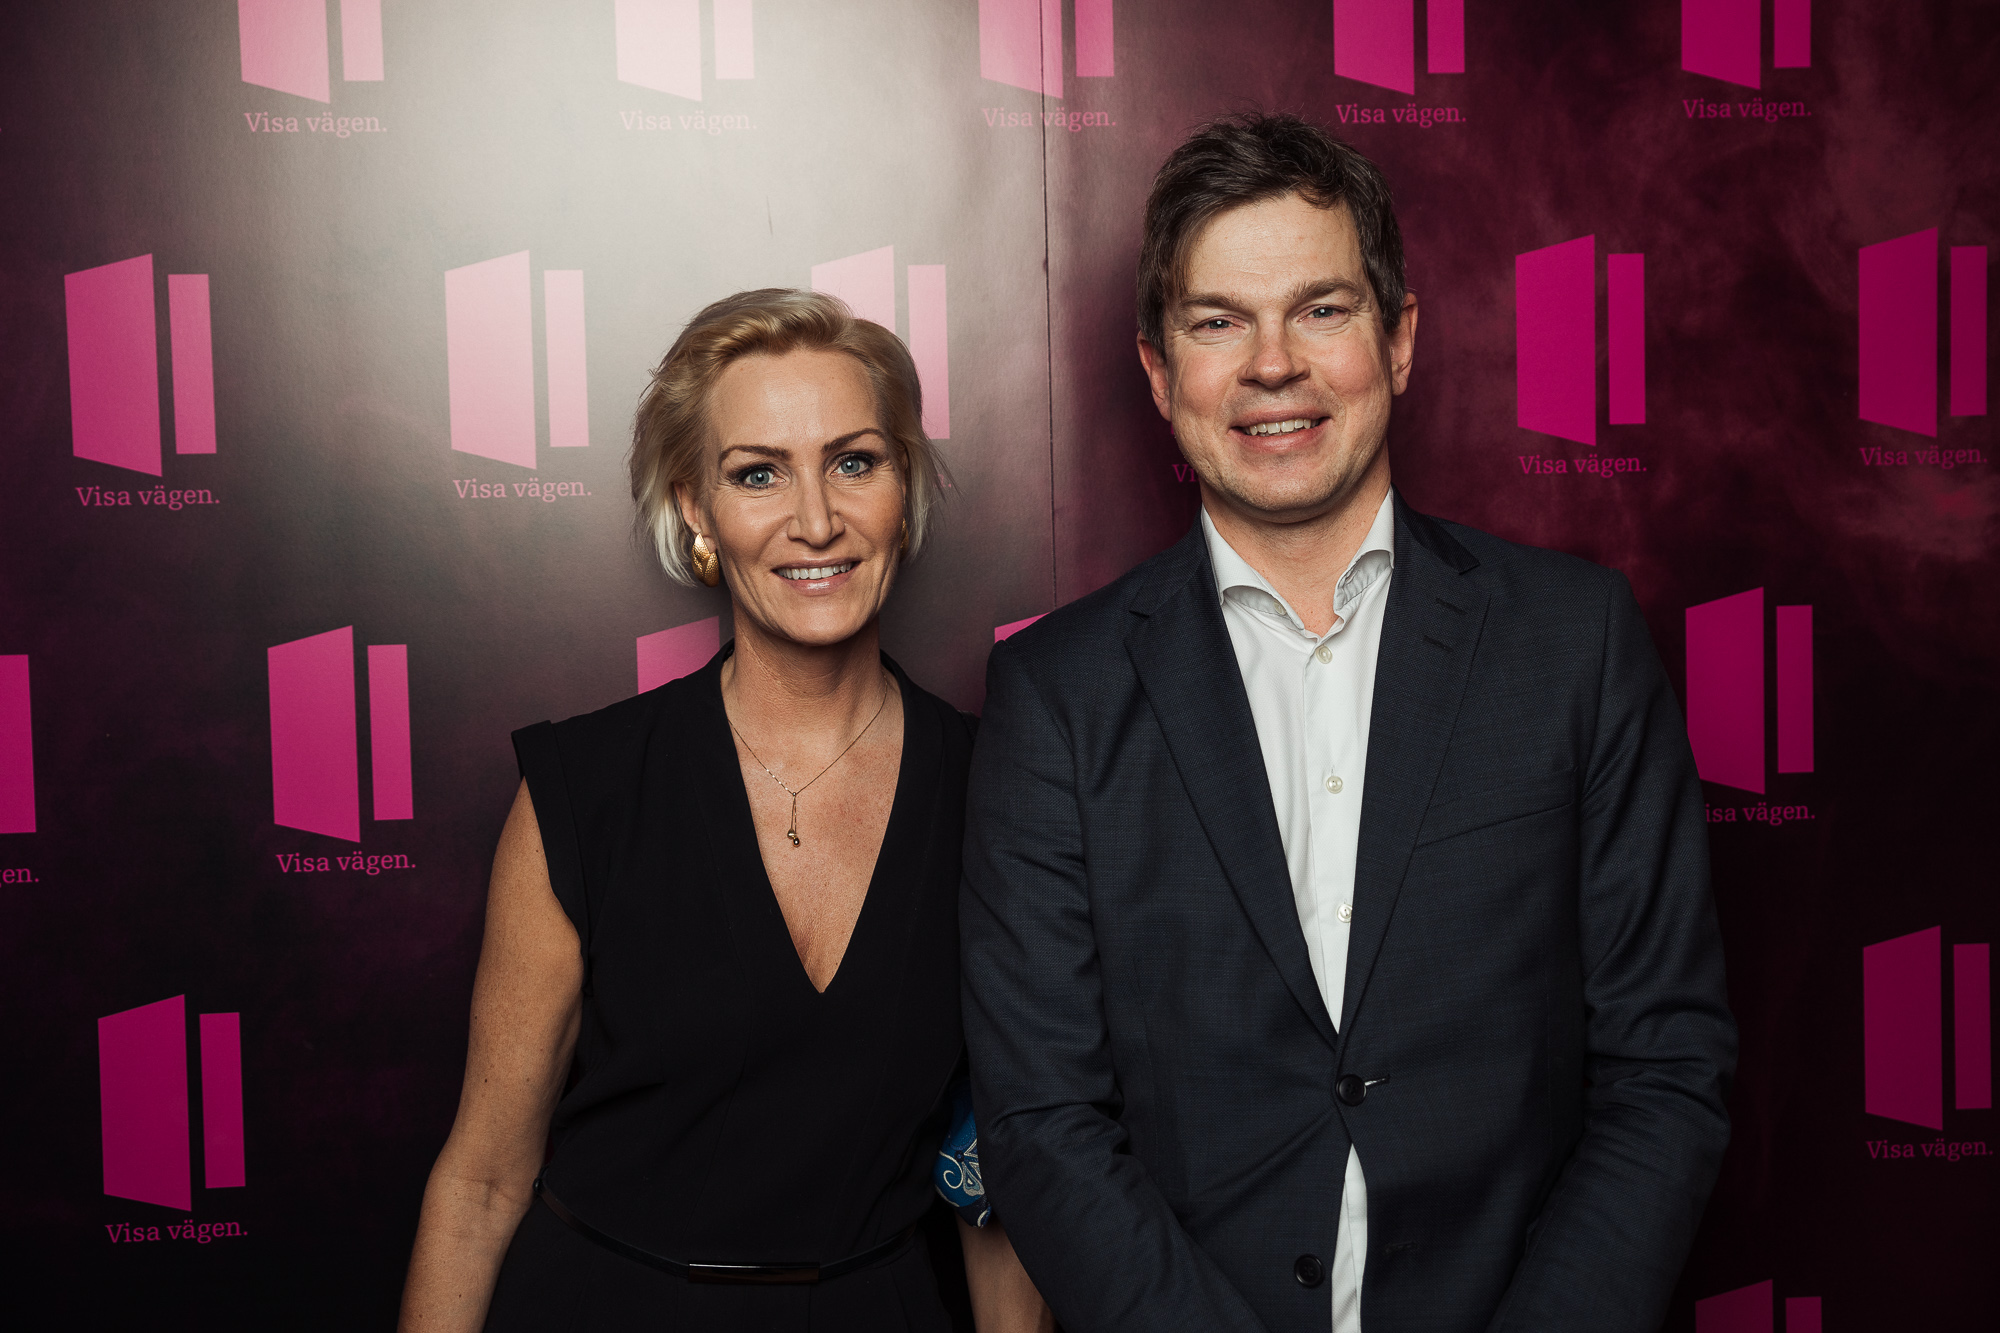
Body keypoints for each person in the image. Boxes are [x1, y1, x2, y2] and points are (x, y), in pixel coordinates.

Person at [960, 114, 1737, 1332]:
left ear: (1398, 339)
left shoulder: (1571, 643)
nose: (1272, 365)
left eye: (1320, 309)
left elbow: (1665, 1065)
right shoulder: (1055, 694)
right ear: (1158, 372)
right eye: (1217, 322)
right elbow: (1041, 1120)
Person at [400, 290, 1049, 1332]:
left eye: (854, 462)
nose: (815, 520)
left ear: (905, 486)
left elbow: (1001, 1177)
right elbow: (480, 1182)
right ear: (696, 508)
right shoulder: (588, 790)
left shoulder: (1000, 792)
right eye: (757, 473)